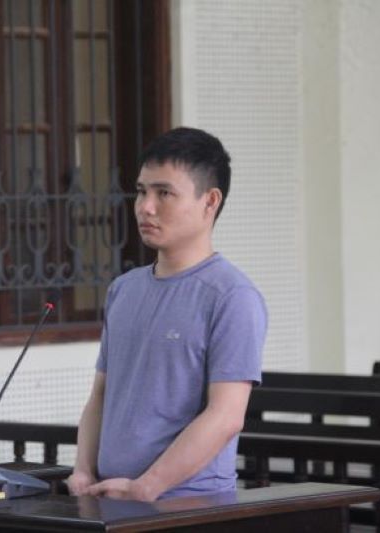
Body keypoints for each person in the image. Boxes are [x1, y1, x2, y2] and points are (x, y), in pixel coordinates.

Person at [67, 126, 267, 502]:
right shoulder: (123, 290)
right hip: (112, 499)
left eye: (164, 193)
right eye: (141, 191)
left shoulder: (232, 297)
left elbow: (226, 416)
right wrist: (83, 469)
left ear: (210, 202)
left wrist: (147, 487)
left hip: (189, 506)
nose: (146, 207)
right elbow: (101, 395)